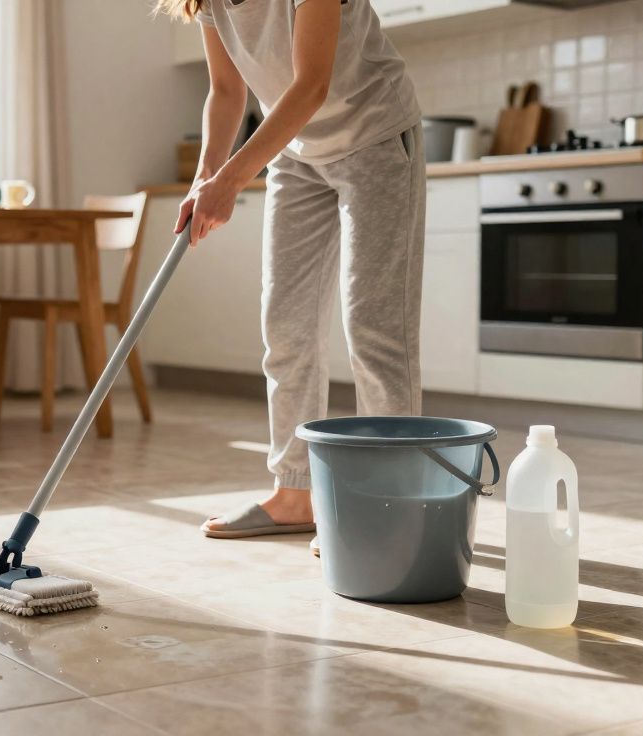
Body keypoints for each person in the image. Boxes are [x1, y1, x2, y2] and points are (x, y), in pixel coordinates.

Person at [156, 0, 425, 547]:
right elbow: (226, 91)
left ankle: (389, 499)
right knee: (286, 326)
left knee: (374, 329)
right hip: (298, 157)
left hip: (374, 138)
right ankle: (296, 491)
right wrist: (206, 174)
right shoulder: (210, 2)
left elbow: (310, 86)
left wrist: (230, 181)